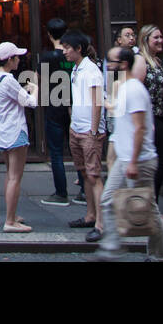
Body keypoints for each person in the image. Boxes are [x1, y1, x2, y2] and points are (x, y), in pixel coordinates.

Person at [96, 46, 163, 261]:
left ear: (124, 64)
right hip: (125, 158)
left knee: (148, 209)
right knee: (108, 199)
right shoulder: (125, 88)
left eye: (111, 61)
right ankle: (112, 246)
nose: (108, 65)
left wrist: (134, 162)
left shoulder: (135, 90)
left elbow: (140, 128)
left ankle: (159, 256)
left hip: (138, 160)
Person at [0, 41, 37, 232]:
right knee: (15, 177)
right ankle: (10, 221)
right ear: (10, 60)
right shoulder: (8, 80)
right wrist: (35, 88)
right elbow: (30, 102)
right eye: (16, 57)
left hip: (0, 129)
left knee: (9, 174)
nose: (19, 60)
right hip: (15, 130)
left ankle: (12, 214)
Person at [63, 30, 104, 242]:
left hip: (89, 129)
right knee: (84, 174)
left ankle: (101, 223)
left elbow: (98, 101)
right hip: (77, 127)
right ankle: (90, 215)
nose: (64, 52)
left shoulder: (92, 70)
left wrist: (94, 130)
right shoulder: (76, 69)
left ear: (78, 49)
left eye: (67, 48)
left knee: (94, 175)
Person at [138, 25, 163, 228]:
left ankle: (152, 209)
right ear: (145, 39)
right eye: (156, 37)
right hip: (151, 120)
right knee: (154, 167)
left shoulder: (158, 61)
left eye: (161, 37)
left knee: (160, 165)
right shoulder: (141, 61)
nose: (161, 40)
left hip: (162, 118)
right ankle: (150, 212)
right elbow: (135, 91)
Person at [39, 17, 73, 207]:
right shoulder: (74, 56)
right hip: (73, 105)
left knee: (57, 152)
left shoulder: (48, 57)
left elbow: (40, 80)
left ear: (49, 34)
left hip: (54, 104)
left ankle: (61, 193)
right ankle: (85, 191)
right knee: (77, 150)